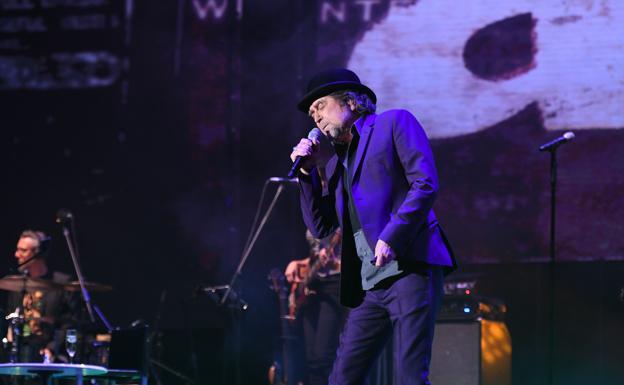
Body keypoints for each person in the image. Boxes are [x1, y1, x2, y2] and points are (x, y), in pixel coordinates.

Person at [289, 68, 456, 385]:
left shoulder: (394, 123)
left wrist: (392, 235)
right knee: (342, 379)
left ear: (351, 101)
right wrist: (307, 175)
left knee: (408, 376)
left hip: (409, 267)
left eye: (320, 106)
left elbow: (425, 184)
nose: (316, 120)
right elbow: (322, 226)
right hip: (369, 285)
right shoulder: (336, 163)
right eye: (312, 115)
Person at [284, 230, 347, 385]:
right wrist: (299, 263)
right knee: (311, 358)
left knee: (323, 357)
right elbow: (316, 252)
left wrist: (335, 262)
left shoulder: (345, 208)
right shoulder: (315, 208)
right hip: (313, 286)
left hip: (335, 284)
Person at [5, 230, 73, 363]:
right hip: (21, 351)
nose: (16, 255)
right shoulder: (16, 286)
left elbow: (68, 324)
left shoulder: (61, 284)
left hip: (52, 355)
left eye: (23, 250)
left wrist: (52, 348)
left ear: (37, 253)